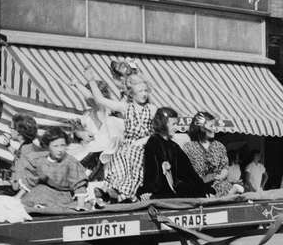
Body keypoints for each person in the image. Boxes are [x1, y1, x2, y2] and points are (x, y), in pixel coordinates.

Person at [86, 67, 155, 202]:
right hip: (127, 145)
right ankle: (113, 190)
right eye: (140, 91)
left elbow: (156, 131)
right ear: (132, 93)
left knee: (133, 157)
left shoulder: (152, 109)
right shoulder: (126, 107)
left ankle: (125, 193)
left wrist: (142, 141)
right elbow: (100, 100)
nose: (144, 93)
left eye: (145, 90)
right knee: (118, 158)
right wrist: (92, 81)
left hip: (144, 145)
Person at [138, 107, 207, 199]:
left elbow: (189, 171)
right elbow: (152, 173)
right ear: (163, 124)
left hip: (174, 189)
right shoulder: (153, 143)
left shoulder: (174, 146)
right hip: (160, 191)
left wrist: (203, 188)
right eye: (173, 124)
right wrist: (150, 192)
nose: (176, 128)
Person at [19, 126, 88, 212]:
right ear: (48, 146)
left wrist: (80, 205)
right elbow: (31, 180)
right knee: (31, 197)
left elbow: (79, 184)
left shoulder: (70, 162)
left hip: (63, 194)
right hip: (43, 190)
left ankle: (43, 208)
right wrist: (17, 197)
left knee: (43, 198)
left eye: (62, 145)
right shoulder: (40, 160)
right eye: (55, 146)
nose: (60, 150)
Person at [181, 111, 236, 197]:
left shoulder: (219, 146)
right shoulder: (188, 148)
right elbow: (184, 171)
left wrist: (221, 176)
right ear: (201, 128)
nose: (214, 129)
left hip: (219, 188)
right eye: (211, 126)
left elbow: (225, 167)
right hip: (197, 189)